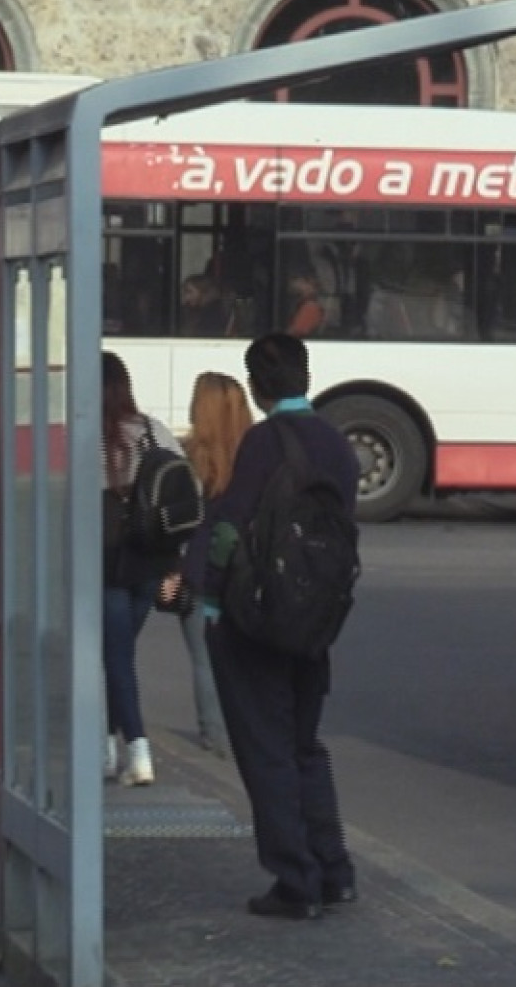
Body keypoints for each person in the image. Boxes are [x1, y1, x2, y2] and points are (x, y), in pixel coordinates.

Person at [175, 333, 359, 921]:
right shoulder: (336, 442)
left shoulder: (263, 442)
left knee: (266, 750)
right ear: (306, 376)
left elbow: (230, 527)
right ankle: (334, 870)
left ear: (256, 386)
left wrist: (207, 599)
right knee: (305, 746)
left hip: (257, 617)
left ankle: (295, 881)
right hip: (317, 616)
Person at [102, 352, 184, 787]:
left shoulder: (87, 437)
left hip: (109, 564)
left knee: (116, 657)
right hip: (152, 562)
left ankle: (137, 750)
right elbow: (188, 493)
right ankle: (106, 746)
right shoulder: (155, 432)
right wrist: (175, 563)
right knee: (117, 654)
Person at [168, 371, 250, 758]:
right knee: (242, 658)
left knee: (204, 659)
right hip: (244, 571)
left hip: (198, 571)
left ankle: (214, 733)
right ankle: (243, 729)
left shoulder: (188, 458)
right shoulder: (254, 456)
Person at [181, 273, 238, 337]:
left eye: (189, 292)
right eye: (185, 293)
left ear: (203, 291)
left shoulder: (214, 313)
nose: (187, 297)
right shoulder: (192, 311)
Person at [285, 273, 324, 338]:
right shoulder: (301, 303)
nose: (294, 284)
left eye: (300, 281)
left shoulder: (310, 307)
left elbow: (297, 331)